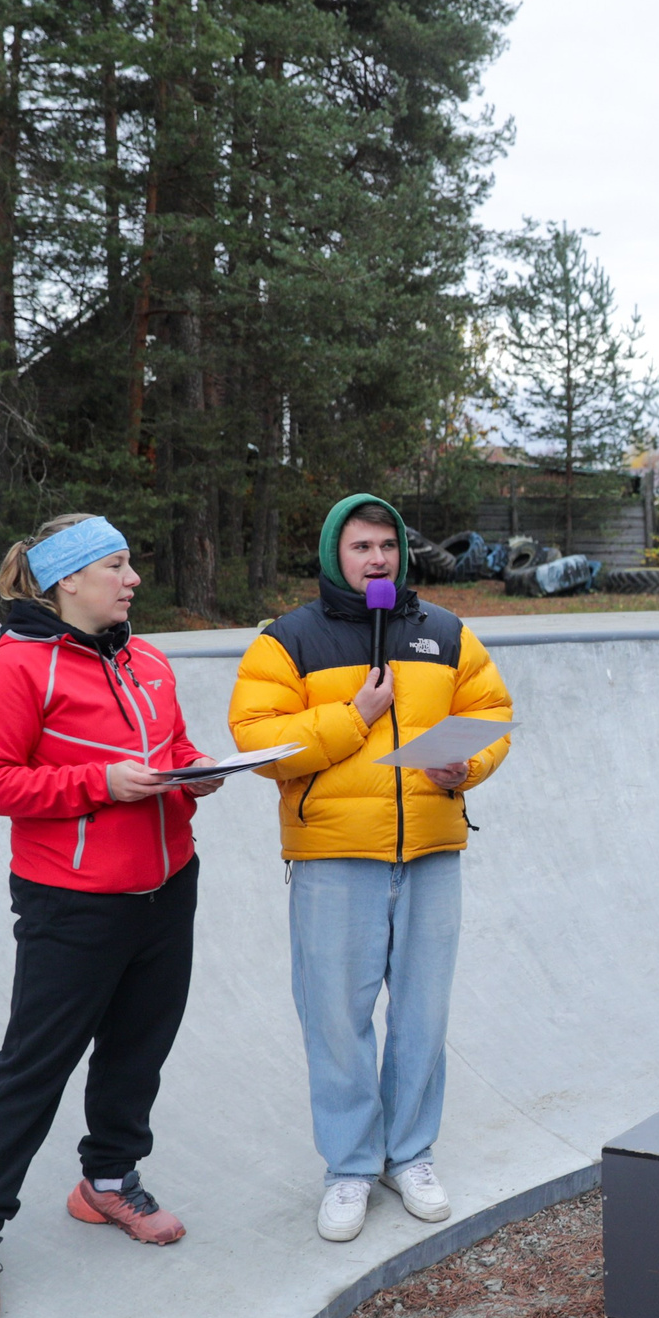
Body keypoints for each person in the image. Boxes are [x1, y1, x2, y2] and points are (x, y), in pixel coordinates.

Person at [0, 514, 226, 1318]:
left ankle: (106, 1181)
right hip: (72, 900)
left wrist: (193, 772)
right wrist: (101, 784)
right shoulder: (15, 667)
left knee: (141, 1045)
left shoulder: (148, 659)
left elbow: (170, 746)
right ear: (67, 580)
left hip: (168, 884)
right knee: (35, 1063)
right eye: (116, 564)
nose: (133, 578)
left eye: (130, 562)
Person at [229, 493, 512, 1243]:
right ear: (333, 555)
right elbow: (257, 739)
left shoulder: (445, 633)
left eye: (388, 545)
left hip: (429, 850)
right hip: (333, 857)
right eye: (361, 547)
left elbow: (489, 713)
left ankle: (409, 1155)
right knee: (337, 1019)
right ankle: (350, 1166)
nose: (378, 558)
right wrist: (353, 714)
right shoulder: (285, 640)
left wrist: (467, 765)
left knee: (422, 1015)